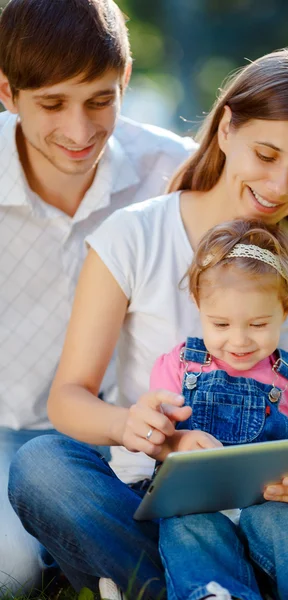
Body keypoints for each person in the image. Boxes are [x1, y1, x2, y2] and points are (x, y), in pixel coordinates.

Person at [8, 45, 288, 600]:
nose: (280, 185)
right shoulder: (135, 236)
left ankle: (203, 586)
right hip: (162, 506)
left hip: (280, 513)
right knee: (42, 466)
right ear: (225, 129)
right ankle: (287, 583)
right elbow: (68, 399)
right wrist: (131, 428)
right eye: (265, 154)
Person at [0, 0, 198, 594]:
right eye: (53, 104)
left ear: (126, 79)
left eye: (100, 100)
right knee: (12, 574)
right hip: (6, 431)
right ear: (6, 91)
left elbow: (271, 196)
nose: (79, 131)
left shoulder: (173, 169)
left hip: (125, 432)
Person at [150, 217, 288, 600]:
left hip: (274, 503)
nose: (239, 340)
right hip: (198, 504)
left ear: (286, 312)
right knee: (187, 528)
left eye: (258, 324)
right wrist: (178, 441)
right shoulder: (178, 366)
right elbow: (157, 439)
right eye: (220, 323)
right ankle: (215, 593)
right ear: (198, 306)